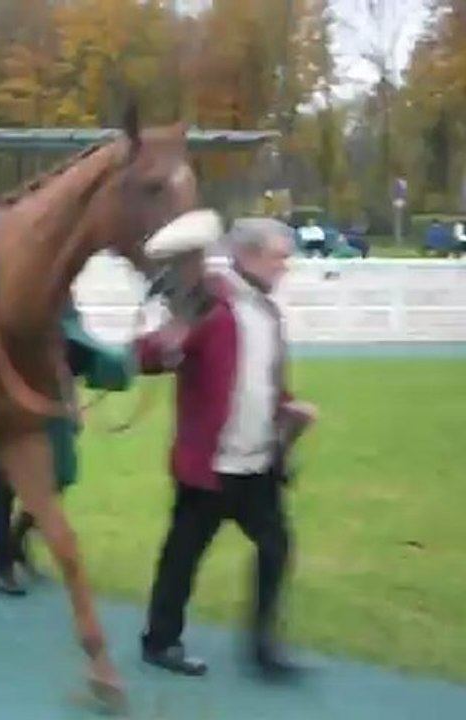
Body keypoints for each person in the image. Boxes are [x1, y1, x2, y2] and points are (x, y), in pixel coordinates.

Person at [134, 217, 318, 681]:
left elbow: (261, 380)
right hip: (210, 465)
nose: (285, 267)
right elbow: (150, 355)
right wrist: (166, 341)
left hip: (257, 464)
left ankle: (263, 649)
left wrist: (289, 408)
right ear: (250, 255)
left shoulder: (267, 312)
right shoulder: (209, 301)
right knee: (184, 553)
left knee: (276, 547)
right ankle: (160, 642)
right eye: (280, 257)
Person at [0, 299, 134, 596]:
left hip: (50, 408)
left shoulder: (61, 299)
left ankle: (16, 540)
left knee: (58, 479)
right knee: (2, 484)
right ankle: (0, 564)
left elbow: (75, 351)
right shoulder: (9, 298)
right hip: (6, 411)